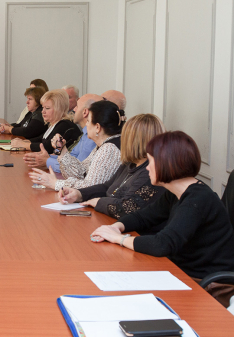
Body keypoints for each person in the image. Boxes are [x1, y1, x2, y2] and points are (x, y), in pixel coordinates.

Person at [90, 131, 234, 306]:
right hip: (181, 272)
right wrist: (116, 227)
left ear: (167, 163)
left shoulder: (197, 200)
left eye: (151, 161)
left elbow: (162, 244)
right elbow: (144, 217)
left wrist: (119, 239)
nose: (147, 168)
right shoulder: (176, 193)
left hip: (205, 284)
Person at [59, 114, 166, 223]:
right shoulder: (130, 163)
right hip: (110, 220)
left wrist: (99, 202)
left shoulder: (150, 172)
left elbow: (126, 208)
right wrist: (79, 194)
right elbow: (107, 187)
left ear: (134, 141)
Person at [29, 100, 123, 191]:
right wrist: (62, 150)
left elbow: (91, 187)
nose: (86, 124)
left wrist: (55, 183)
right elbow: (80, 173)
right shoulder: (104, 145)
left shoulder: (109, 149)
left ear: (97, 127)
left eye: (88, 121)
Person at [24, 93, 102, 172]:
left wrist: (47, 161)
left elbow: (78, 169)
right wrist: (48, 157)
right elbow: (72, 157)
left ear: (85, 112)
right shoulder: (85, 134)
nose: (74, 109)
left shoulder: (91, 137)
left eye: (77, 106)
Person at [10, 89, 81, 153]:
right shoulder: (54, 124)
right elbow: (42, 139)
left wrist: (25, 145)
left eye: (47, 108)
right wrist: (25, 141)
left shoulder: (64, 125)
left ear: (59, 109)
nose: (43, 111)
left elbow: (48, 147)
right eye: (43, 107)